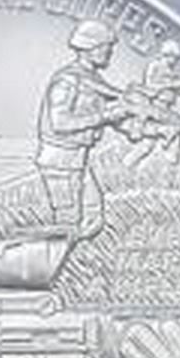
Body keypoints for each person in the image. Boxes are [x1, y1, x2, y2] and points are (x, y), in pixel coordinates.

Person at [34, 20, 131, 234]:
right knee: (68, 222)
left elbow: (111, 115)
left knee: (93, 220)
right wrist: (105, 116)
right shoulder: (67, 81)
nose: (110, 52)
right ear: (89, 48)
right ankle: (49, 254)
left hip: (77, 159)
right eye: (106, 47)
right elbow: (60, 123)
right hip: (60, 160)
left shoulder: (93, 79)